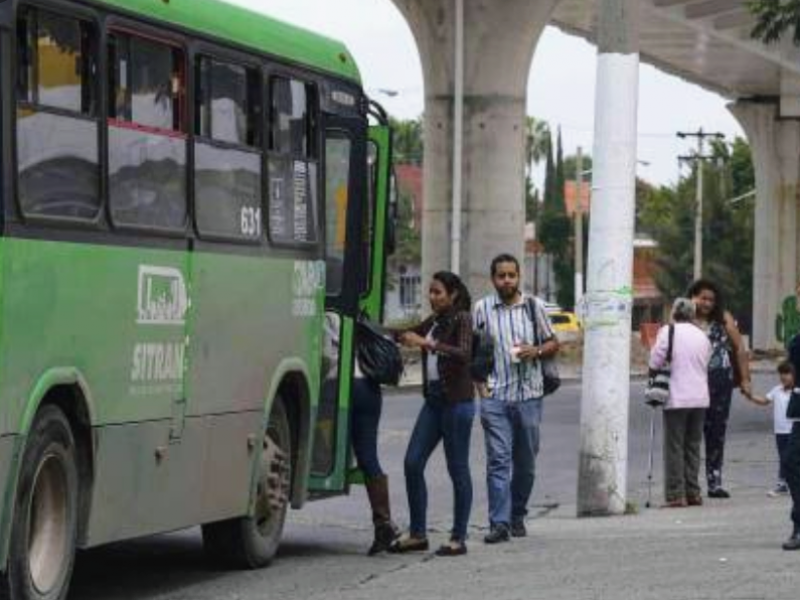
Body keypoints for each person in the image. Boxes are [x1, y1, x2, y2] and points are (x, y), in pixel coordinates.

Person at [473, 254, 559, 543]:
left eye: (511, 275)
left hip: (529, 397)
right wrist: (482, 391)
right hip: (495, 397)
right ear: (493, 278)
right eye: (501, 275)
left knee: (526, 464)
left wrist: (535, 351)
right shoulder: (482, 309)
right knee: (498, 461)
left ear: (518, 277)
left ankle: (517, 514)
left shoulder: (534, 307)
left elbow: (553, 342)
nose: (507, 280)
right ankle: (498, 523)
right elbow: (474, 354)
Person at [390, 271, 475, 557]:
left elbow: (464, 353)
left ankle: (458, 538)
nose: (432, 296)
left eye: (438, 292)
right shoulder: (434, 321)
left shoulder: (462, 318)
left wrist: (426, 343)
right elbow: (408, 333)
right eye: (430, 292)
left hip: (457, 403)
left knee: (457, 469)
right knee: (412, 462)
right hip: (434, 402)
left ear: (452, 294)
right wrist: (375, 328)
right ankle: (417, 534)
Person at [324, 314, 400, 555]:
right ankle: (383, 523)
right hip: (369, 388)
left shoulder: (327, 316)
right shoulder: (359, 315)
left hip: (341, 387)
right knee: (368, 456)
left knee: (319, 441)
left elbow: (325, 358)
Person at [688, 279, 753, 498]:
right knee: (692, 433)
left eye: (711, 299)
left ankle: (714, 481)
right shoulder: (685, 318)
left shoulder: (724, 318)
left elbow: (739, 349)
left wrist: (745, 379)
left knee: (716, 432)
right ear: (693, 296)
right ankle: (689, 483)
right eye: (703, 298)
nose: (707, 303)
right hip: (693, 383)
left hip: (720, 384)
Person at [649, 298, 711, 507]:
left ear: (674, 312)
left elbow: (655, 361)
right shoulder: (702, 336)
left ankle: (676, 494)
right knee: (693, 446)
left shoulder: (668, 331)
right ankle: (693, 492)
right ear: (692, 314)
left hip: (677, 397)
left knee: (674, 447)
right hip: (700, 398)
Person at [748, 362, 795, 498]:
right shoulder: (777, 390)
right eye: (781, 374)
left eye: (787, 373)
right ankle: (783, 484)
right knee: (783, 457)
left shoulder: (797, 391)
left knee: (790, 457)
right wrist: (750, 396)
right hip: (780, 431)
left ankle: (788, 483)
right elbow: (764, 400)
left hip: (793, 430)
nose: (783, 377)